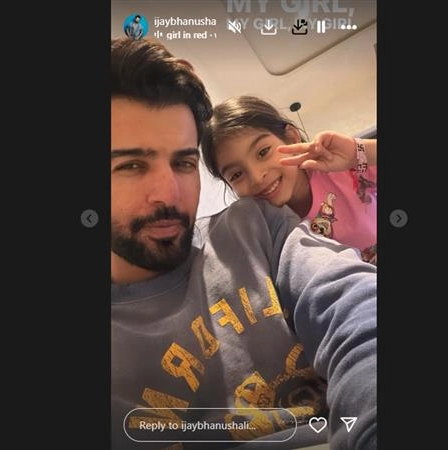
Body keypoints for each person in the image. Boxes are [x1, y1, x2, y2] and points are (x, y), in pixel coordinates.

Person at [110, 37, 377, 450]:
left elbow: (356, 311)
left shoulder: (255, 226)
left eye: (183, 163)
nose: (170, 193)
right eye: (131, 165)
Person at [200, 96, 378, 265]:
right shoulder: (263, 234)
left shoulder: (341, 169)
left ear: (292, 138)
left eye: (263, 152)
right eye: (236, 175)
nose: (256, 177)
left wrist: (358, 152)